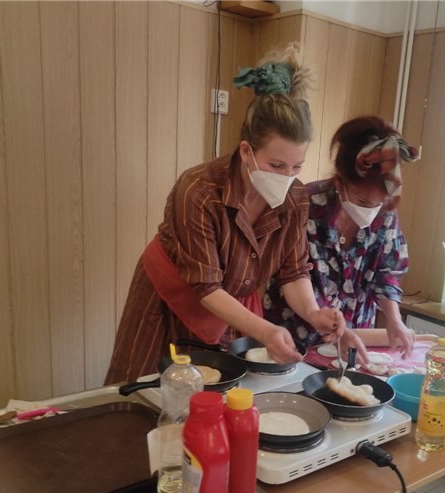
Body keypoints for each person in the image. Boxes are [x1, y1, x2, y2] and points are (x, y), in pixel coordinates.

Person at [105, 44, 344, 385]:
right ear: (246, 151)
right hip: (169, 300)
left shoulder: (295, 198)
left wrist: (313, 311)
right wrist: (266, 330)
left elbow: (294, 271)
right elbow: (205, 286)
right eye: (276, 165)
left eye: (297, 167)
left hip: (230, 306)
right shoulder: (199, 190)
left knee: (217, 392)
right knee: (149, 388)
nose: (287, 177)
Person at [263, 115, 419, 361]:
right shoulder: (305, 205)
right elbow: (291, 273)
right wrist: (335, 327)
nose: (372, 209)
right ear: (339, 181)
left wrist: (394, 318)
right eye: (363, 201)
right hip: (294, 330)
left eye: (380, 202)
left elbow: (387, 271)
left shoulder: (385, 213)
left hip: (355, 332)